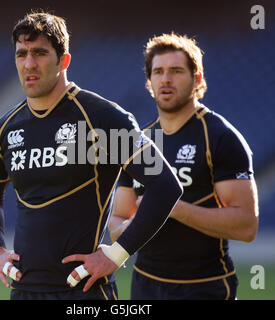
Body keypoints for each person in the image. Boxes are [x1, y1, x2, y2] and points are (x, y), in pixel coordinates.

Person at [0, 12, 183, 300]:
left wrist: (116, 255)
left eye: (40, 53)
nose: (29, 63)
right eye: (21, 54)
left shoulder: (101, 118)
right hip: (24, 291)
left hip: (83, 292)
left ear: (64, 60)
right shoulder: (6, 129)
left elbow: (166, 185)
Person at [109, 33, 259, 300]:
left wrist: (173, 208)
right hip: (145, 286)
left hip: (206, 286)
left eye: (176, 71)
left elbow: (246, 226)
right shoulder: (137, 143)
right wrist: (138, 222)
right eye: (158, 72)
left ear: (197, 78)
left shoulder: (221, 138)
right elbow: (118, 219)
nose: (166, 79)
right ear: (149, 82)